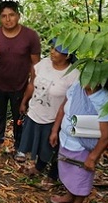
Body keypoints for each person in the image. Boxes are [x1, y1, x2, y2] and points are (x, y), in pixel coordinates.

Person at [16, 38, 80, 183]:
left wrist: (55, 128)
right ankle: (39, 167)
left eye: (57, 50)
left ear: (68, 55)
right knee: (37, 144)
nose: (52, 52)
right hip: (35, 112)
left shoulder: (74, 75)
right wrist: (24, 102)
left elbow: (67, 104)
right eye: (52, 48)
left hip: (54, 118)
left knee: (51, 147)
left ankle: (52, 176)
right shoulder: (43, 64)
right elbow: (32, 84)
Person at [0, 0, 41, 159]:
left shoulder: (30, 36)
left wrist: (32, 84)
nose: (8, 19)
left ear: (18, 16)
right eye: (4, 16)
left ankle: (20, 146)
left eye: (11, 15)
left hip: (20, 85)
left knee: (19, 116)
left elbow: (36, 64)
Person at [49, 80, 108, 203]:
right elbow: (63, 108)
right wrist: (55, 130)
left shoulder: (104, 99)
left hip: (84, 146)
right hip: (66, 139)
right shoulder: (76, 86)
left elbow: (107, 135)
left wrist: (92, 157)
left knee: (81, 176)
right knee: (68, 171)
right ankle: (69, 196)